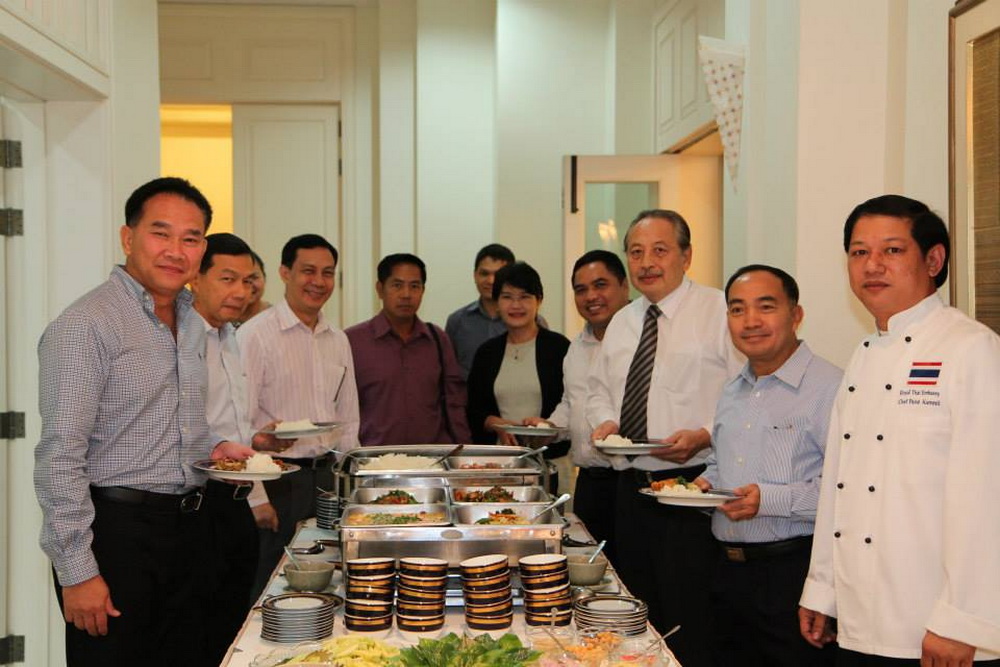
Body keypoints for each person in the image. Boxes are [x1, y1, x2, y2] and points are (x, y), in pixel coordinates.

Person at [34, 177, 255, 667]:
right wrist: (77, 571)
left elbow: (175, 421)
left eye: (191, 238)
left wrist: (214, 447)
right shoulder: (85, 325)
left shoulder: (190, 320)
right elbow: (59, 456)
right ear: (128, 237)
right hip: (117, 538)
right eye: (161, 233)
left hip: (190, 531)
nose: (176, 250)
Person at [799, 195, 1000, 665]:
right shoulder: (864, 355)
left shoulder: (971, 349)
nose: (872, 265)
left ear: (933, 260)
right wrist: (823, 588)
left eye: (892, 250)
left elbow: (986, 496)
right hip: (860, 619)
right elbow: (839, 484)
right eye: (859, 252)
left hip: (939, 628)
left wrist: (960, 621)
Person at [587, 209, 743, 666]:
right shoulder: (623, 321)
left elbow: (745, 392)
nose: (646, 262)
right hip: (631, 487)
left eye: (659, 250)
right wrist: (605, 423)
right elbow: (599, 390)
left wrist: (705, 435)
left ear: (686, 256)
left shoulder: (719, 311)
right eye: (636, 252)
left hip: (693, 487)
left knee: (689, 613)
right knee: (637, 607)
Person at [693, 265, 840, 667]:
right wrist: (702, 486)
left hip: (793, 574)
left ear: (796, 315)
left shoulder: (832, 388)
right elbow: (720, 462)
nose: (750, 321)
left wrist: (769, 499)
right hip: (726, 571)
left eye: (766, 307)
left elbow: (848, 490)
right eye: (737, 309)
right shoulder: (733, 390)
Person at [237, 233, 360, 598]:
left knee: (328, 579)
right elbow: (239, 423)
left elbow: (348, 420)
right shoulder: (255, 335)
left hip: (326, 479)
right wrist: (256, 497)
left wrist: (350, 487)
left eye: (327, 273)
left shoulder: (337, 339)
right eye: (308, 271)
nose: (318, 282)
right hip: (277, 479)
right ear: (284, 272)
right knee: (272, 585)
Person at [190, 232, 292, 661]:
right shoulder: (179, 339)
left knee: (234, 619)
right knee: (199, 628)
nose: (241, 291)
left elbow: (231, 421)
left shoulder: (230, 336)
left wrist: (257, 443)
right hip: (197, 503)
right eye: (227, 279)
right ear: (196, 278)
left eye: (248, 281)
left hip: (236, 497)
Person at [529, 250, 629, 562]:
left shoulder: (643, 340)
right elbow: (571, 403)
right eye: (581, 289)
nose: (591, 297)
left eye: (600, 285)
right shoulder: (576, 346)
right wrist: (549, 428)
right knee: (589, 567)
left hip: (629, 482)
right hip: (589, 481)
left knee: (631, 572)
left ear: (624, 286)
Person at [345, 253, 471, 445]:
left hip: (432, 457)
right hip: (374, 457)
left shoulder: (437, 339)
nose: (406, 294)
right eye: (397, 285)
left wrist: (465, 450)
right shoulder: (352, 341)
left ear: (423, 291)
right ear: (380, 289)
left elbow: (455, 402)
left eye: (414, 286)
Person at [466, 262, 571, 485]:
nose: (516, 305)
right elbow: (473, 409)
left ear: (539, 300)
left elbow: (573, 404)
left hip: (551, 464)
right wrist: (494, 422)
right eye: (507, 297)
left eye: (524, 297)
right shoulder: (487, 353)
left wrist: (547, 427)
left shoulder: (559, 348)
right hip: (500, 465)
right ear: (496, 303)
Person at [446, 243, 517, 379]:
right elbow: (448, 372)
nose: (490, 281)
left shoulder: (529, 322)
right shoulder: (457, 321)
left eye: (498, 274)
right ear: (475, 275)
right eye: (484, 273)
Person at [236, 249, 271, 325]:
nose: (247, 284)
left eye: (254, 277)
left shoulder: (277, 319)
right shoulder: (218, 321)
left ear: (264, 278)